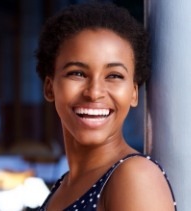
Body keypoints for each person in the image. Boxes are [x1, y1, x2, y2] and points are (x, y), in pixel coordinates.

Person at [35, 2, 176, 211]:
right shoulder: (63, 186)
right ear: (49, 87)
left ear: (134, 93)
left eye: (114, 76)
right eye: (77, 73)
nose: (94, 92)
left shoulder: (135, 177)